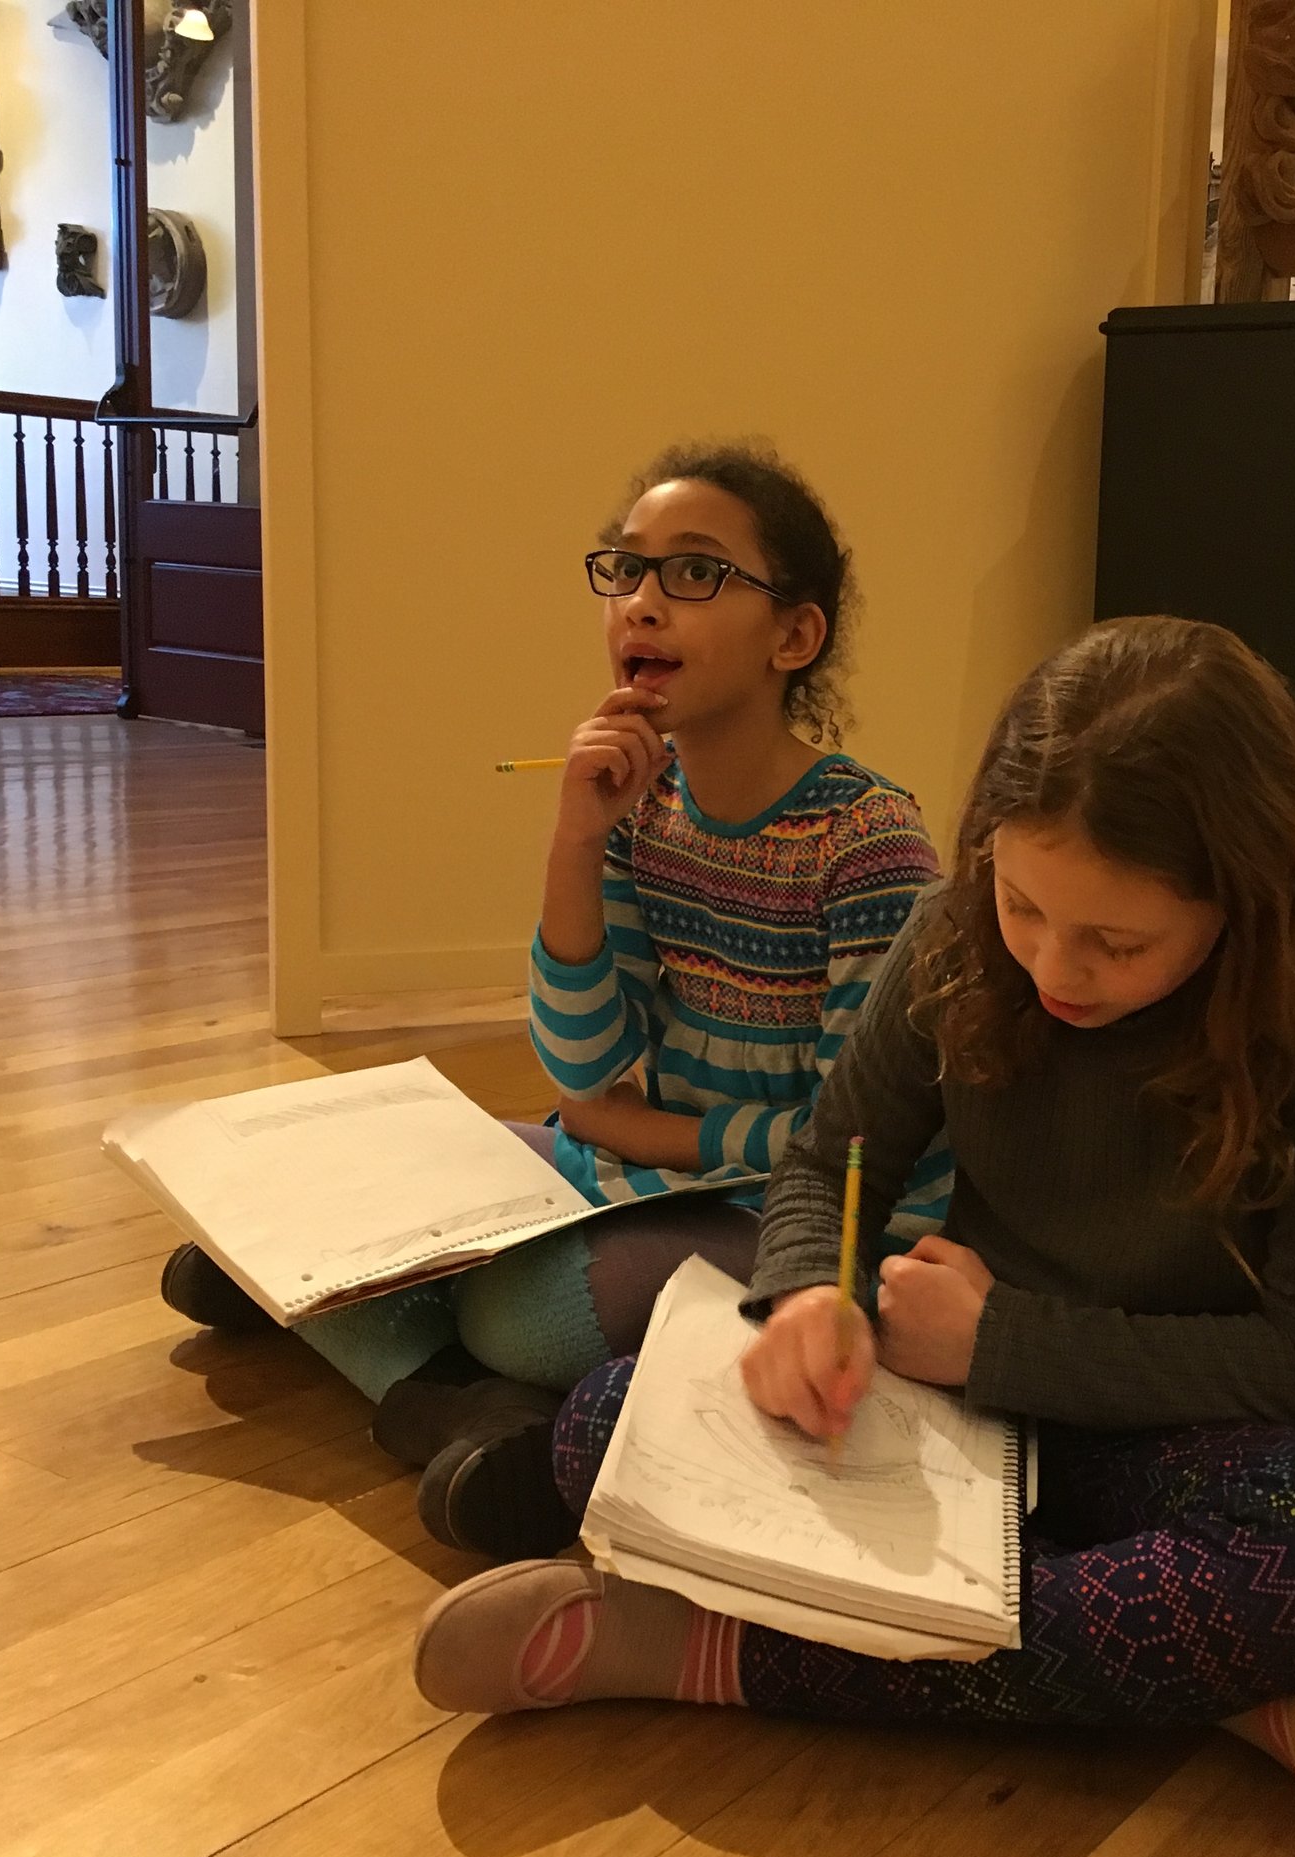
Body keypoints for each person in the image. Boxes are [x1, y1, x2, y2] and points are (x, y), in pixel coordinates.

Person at [410, 617, 1295, 1832]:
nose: (1056, 963)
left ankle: (709, 1655)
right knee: (597, 1421)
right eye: (1023, 904)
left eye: (1118, 942)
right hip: (945, 1413)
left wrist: (1001, 1342)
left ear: (1243, 904)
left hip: (1165, 1433)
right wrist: (806, 1298)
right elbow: (829, 1161)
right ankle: (1195, 1686)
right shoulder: (954, 935)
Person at [158, 442, 944, 1559]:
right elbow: (581, 1070)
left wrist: (633, 1128)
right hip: (655, 1171)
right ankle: (446, 1404)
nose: (643, 603)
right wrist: (579, 839)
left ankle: (351, 1326)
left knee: (513, 1312)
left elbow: (856, 1144)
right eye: (625, 572)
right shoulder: (646, 802)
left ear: (794, 636)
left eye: (696, 572)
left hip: (801, 1221)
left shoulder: (866, 846)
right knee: (357, 1188)